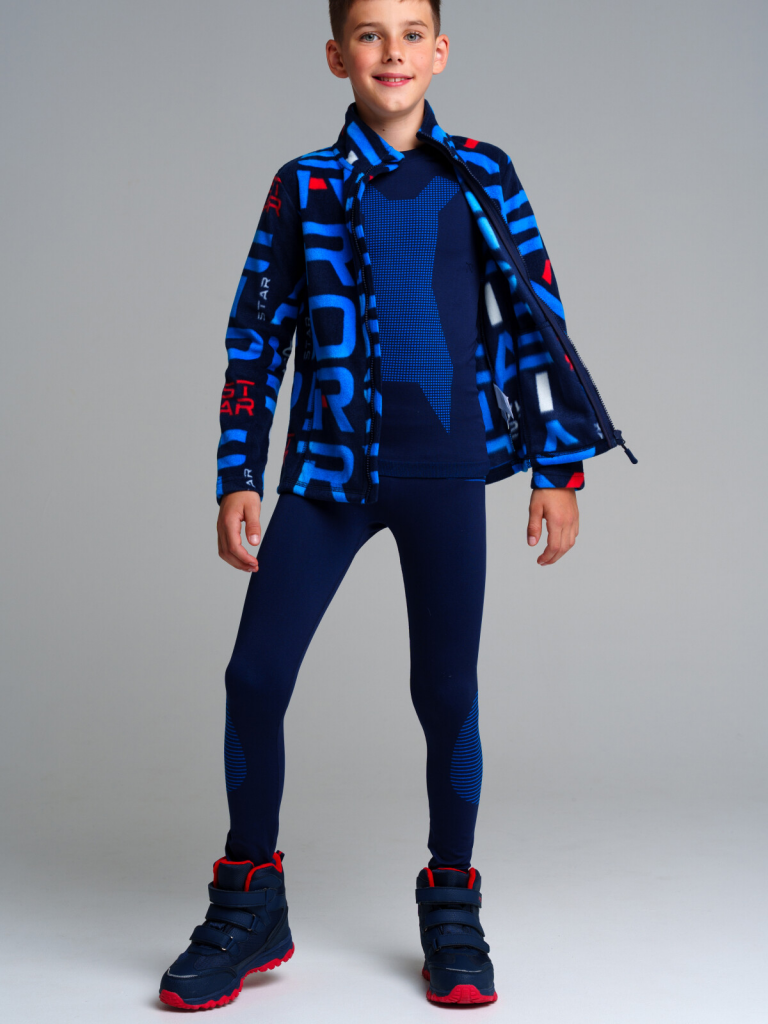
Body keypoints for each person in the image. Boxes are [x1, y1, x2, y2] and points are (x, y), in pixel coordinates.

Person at [159, 0, 635, 1010]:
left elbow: (538, 317)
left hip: (448, 473)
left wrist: (559, 469)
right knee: (254, 676)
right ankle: (250, 902)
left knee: (446, 692)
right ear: (337, 54)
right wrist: (238, 473)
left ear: (440, 51)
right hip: (327, 476)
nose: (392, 52)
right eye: (370, 35)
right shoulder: (304, 186)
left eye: (411, 32)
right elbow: (255, 338)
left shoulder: (483, 174)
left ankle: (451, 900)